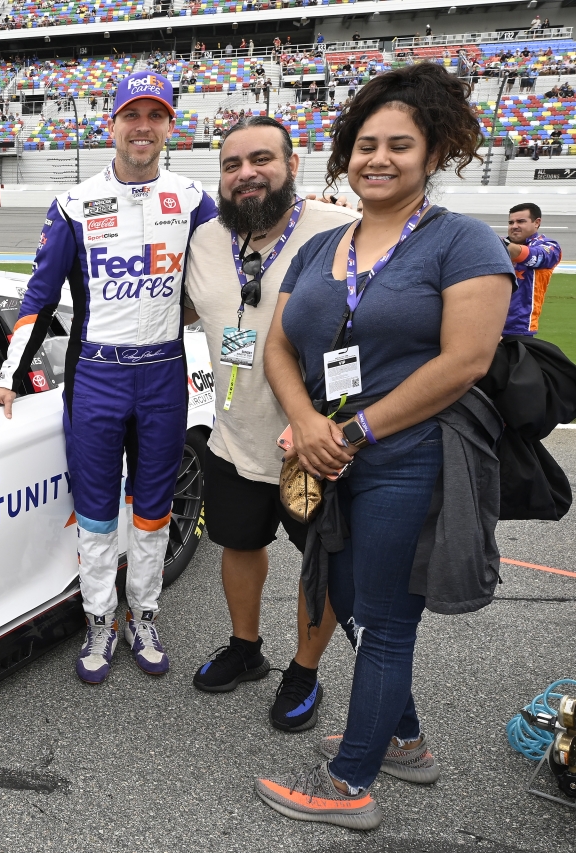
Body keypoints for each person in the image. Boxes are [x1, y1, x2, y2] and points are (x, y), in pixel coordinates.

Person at [254, 62, 514, 830]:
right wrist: (305, 420)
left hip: (410, 456)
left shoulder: (463, 242)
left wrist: (355, 430)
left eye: (400, 144)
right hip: (330, 454)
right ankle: (403, 738)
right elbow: (278, 346)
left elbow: (463, 363)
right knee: (353, 601)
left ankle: (348, 784)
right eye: (365, 144)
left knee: (387, 620)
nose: (379, 158)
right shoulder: (321, 246)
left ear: (434, 153)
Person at [0, 71, 218, 684]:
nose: (143, 127)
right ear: (111, 125)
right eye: (131, 116)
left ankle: (144, 612)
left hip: (165, 373)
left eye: (155, 116)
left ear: (169, 126)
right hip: (97, 377)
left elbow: (223, 277)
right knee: (95, 509)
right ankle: (98, 618)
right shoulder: (74, 203)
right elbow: (38, 296)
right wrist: (9, 377)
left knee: (155, 507)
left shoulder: (193, 200)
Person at [181, 116, 359, 731]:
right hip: (234, 436)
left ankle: (304, 670)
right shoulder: (204, 240)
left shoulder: (341, 231)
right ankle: (246, 647)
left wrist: (334, 422)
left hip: (314, 444)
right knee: (238, 544)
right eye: (232, 165)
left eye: (261, 160)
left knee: (324, 563)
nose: (246, 174)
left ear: (293, 167)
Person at [503, 202, 562, 336]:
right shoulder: (501, 244)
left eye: (521, 221)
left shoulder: (549, 246)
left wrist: (494, 242)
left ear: (537, 222)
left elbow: (532, 256)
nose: (514, 226)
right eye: (511, 222)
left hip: (519, 327)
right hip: (485, 321)